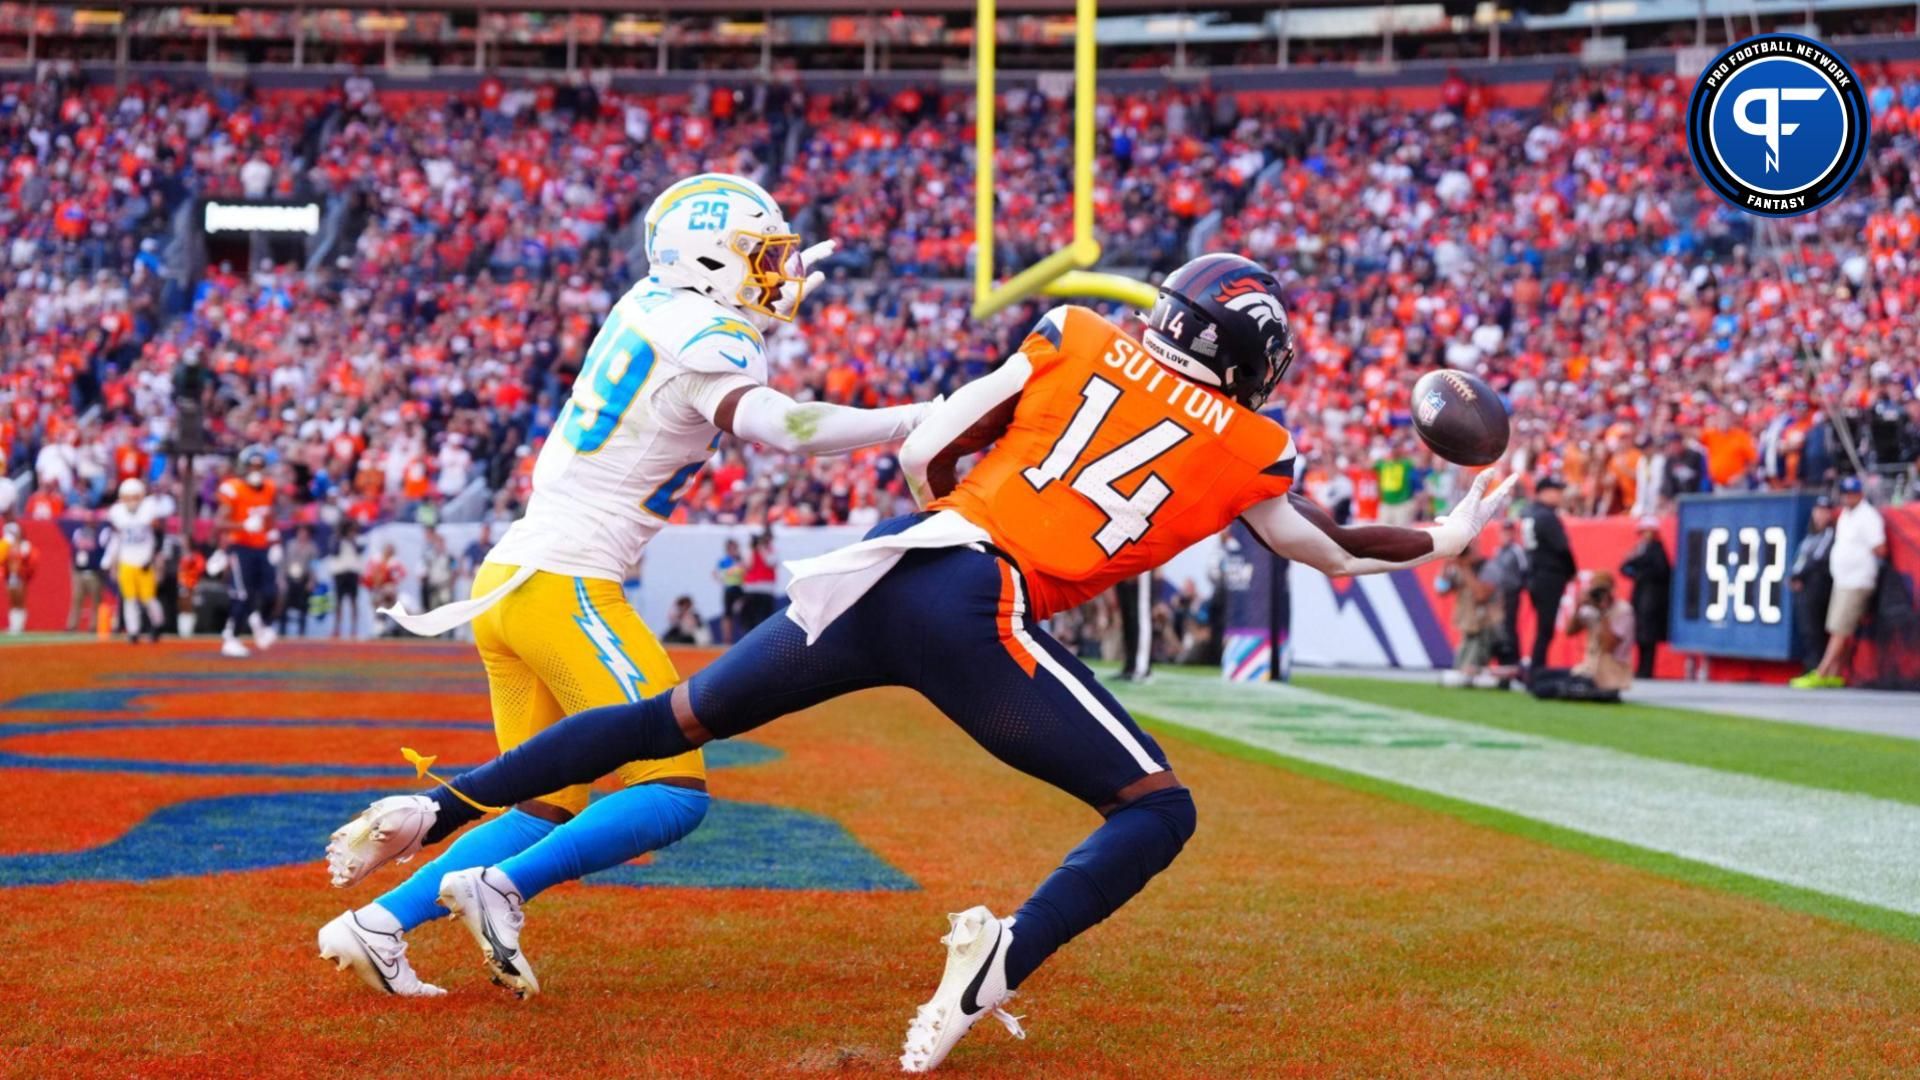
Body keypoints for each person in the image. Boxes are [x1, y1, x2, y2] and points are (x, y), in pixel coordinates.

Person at [323, 254, 1515, 1068]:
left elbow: (933, 443)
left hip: (888, 564)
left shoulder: (1076, 332)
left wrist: (955, 517)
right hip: (981, 608)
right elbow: (1331, 553)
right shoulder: (1257, 445)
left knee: (666, 718)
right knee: (1155, 806)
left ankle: (431, 810)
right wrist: (1451, 532)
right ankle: (997, 961)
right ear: (1251, 356)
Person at [317, 173, 934, 1000]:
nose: (777, 275)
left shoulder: (652, 304)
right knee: (672, 793)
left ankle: (378, 924)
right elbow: (785, 426)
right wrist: (914, 416)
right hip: (566, 586)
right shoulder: (710, 339)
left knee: (542, 801)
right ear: (710, 260)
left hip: (514, 581)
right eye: (760, 257)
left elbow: (694, 376)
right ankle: (498, 888)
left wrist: (748, 306)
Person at [1794, 476, 1885, 689]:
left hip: (1857, 580)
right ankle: (1835, 673)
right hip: (1843, 579)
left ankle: (1822, 671)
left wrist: (1860, 558)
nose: (1848, 497)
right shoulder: (1845, 515)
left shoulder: (1868, 517)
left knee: (1839, 629)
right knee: (1838, 627)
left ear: (1860, 494)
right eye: (1845, 493)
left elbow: (1880, 548)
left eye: (1852, 493)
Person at [214, 450, 280, 658]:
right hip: (240, 547)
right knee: (242, 595)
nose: (256, 472)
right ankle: (231, 637)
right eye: (252, 467)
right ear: (244, 468)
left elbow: (269, 516)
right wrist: (243, 525)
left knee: (271, 591)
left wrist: (273, 538)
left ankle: (258, 622)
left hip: (262, 547)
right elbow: (219, 523)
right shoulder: (234, 489)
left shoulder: (269, 488)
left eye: (260, 467)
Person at [1531, 571, 1634, 702]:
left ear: (1611, 590)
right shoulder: (1591, 609)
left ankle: (1594, 692)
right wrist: (1579, 606)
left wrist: (1603, 613)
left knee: (1544, 689)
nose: (1599, 596)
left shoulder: (1623, 611)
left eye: (1603, 591)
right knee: (1538, 676)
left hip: (1608, 676)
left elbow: (1608, 646)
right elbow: (1569, 632)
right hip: (1586, 670)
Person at [1522, 476, 1576, 680]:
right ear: (1544, 491)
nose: (1560, 495)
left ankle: (1536, 668)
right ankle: (1537, 669)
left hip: (1535, 573)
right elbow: (1562, 547)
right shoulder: (1546, 516)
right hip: (1549, 574)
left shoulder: (1530, 513)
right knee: (1546, 627)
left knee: (1543, 626)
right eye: (1556, 490)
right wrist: (1572, 570)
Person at [104, 479, 169, 643]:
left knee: (148, 599)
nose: (132, 501)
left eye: (135, 497)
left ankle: (158, 624)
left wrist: (155, 557)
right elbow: (116, 538)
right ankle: (133, 631)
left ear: (141, 496)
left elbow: (159, 535)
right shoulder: (117, 512)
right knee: (129, 598)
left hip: (144, 560)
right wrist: (110, 561)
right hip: (126, 560)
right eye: (128, 497)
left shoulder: (149, 509)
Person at [1617, 514, 1670, 680]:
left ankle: (1647, 669)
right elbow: (1624, 567)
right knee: (1640, 632)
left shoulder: (1657, 550)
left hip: (1652, 598)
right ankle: (1641, 668)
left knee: (1648, 634)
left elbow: (1662, 572)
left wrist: (1641, 573)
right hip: (1641, 595)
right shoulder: (1640, 549)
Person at [1788, 496, 1836, 674]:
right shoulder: (1809, 534)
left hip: (1816, 585)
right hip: (1804, 586)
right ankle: (1810, 666)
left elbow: (1818, 558)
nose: (1820, 515)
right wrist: (1793, 576)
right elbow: (1800, 558)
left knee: (1814, 629)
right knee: (1806, 629)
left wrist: (1800, 576)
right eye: (1817, 510)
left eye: (1824, 511)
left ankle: (1816, 669)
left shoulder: (1829, 533)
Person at [1437, 549, 1498, 686]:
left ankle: (1494, 680)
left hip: (1484, 627)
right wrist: (1446, 566)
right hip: (1467, 626)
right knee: (1458, 669)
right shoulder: (1458, 568)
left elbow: (1481, 595)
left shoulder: (1488, 567)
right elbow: (1441, 589)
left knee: (1466, 674)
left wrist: (1465, 568)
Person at [1482, 518, 1528, 682]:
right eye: (1504, 532)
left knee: (1509, 627)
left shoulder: (1517, 550)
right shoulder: (1498, 551)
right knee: (1501, 628)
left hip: (1511, 593)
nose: (1506, 535)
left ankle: (1514, 662)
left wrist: (1519, 587)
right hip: (1499, 595)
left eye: (1509, 532)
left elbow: (1525, 570)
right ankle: (1505, 661)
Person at [279, 526, 320, 638]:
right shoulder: (290, 545)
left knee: (303, 607)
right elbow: (283, 563)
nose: (302, 535)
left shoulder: (312, 548)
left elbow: (314, 566)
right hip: (290, 579)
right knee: (284, 605)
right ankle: (282, 632)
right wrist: (281, 579)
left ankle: (301, 633)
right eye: (300, 532)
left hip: (303, 579)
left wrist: (312, 581)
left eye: (305, 533)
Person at [330, 522, 365, 639]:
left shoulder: (356, 540)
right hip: (340, 572)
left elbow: (360, 551)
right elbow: (334, 552)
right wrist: (340, 537)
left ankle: (354, 629)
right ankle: (337, 628)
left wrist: (352, 540)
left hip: (352, 573)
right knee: (338, 602)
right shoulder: (338, 540)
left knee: (353, 601)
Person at [68, 525, 106, 634]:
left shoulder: (100, 535)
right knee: (76, 599)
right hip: (79, 572)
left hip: (94, 573)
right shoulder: (78, 532)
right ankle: (72, 625)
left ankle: (94, 626)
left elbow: (101, 552)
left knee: (96, 601)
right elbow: (73, 552)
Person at [2, 521, 38, 634]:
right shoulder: (6, 546)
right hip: (10, 577)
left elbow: (31, 561)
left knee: (20, 601)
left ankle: (19, 626)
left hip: (21, 577)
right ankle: (14, 625)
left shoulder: (25, 546)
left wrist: (25, 573)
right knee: (12, 602)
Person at [713, 538, 745, 643]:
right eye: (731, 548)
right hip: (729, 589)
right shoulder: (724, 561)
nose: (734, 550)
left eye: (735, 548)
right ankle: (727, 638)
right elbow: (715, 573)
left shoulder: (740, 559)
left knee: (742, 612)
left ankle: (743, 635)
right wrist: (722, 580)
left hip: (740, 588)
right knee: (727, 614)